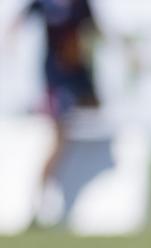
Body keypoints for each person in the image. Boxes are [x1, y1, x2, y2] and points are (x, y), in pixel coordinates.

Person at [22, 0, 99, 223]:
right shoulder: (45, 4)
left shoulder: (80, 5)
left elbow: (93, 31)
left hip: (80, 77)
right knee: (60, 137)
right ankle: (41, 196)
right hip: (56, 81)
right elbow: (20, 21)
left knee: (100, 121)